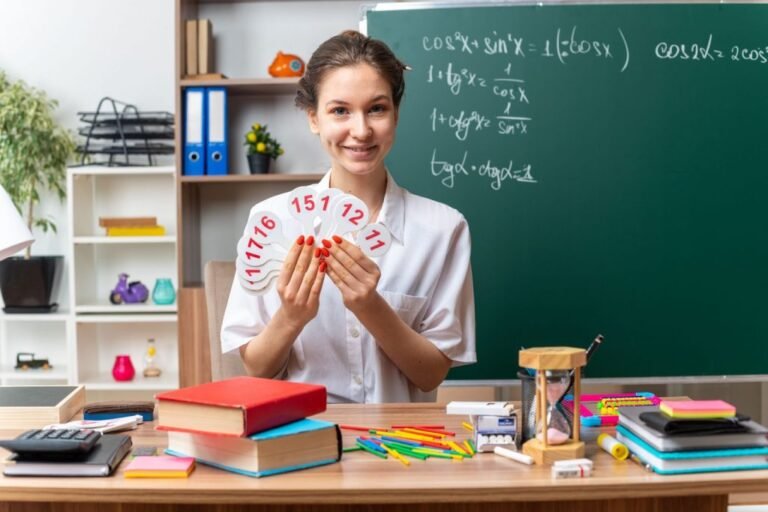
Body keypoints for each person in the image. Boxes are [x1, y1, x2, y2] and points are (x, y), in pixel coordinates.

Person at [221, 30, 475, 403]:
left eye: (377, 108)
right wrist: (292, 316)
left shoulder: (443, 228)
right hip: (303, 440)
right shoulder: (271, 219)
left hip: (400, 445)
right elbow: (256, 368)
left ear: (396, 113)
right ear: (313, 118)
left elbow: (430, 375)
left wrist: (370, 306)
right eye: (340, 110)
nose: (361, 131)